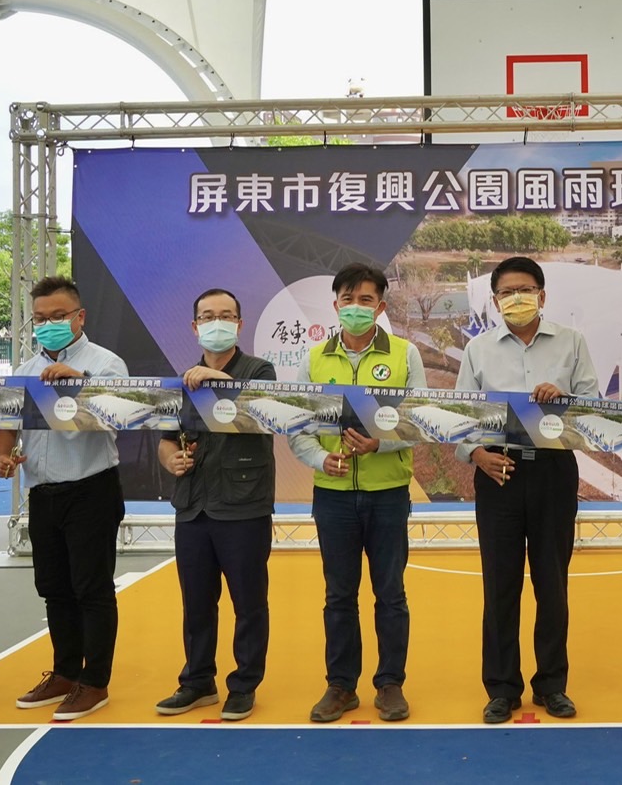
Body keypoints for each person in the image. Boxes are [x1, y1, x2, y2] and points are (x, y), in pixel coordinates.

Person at [455, 256, 597, 724]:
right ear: (495, 300)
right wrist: (477, 455)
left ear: (542, 294)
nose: (516, 298)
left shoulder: (571, 343)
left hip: (553, 471)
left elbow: (592, 411)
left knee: (552, 585)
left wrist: (564, 399)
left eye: (525, 289)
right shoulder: (478, 349)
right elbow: (461, 418)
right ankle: (501, 688)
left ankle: (552, 685)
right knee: (500, 586)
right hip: (497, 473)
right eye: (506, 292)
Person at [292, 264, 426, 723]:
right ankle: (341, 686)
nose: (355, 308)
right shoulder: (312, 359)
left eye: (365, 300)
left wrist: (381, 443)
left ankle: (390, 685)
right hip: (331, 495)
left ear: (381, 307)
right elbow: (297, 427)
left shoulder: (405, 355)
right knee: (338, 596)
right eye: (347, 300)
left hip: (388, 492)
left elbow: (420, 421)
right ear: (335, 306)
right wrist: (318, 459)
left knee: (390, 594)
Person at [0, 276, 128, 721]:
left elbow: (118, 418)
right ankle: (66, 672)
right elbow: (7, 425)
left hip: (91, 488)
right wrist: (1, 454)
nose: (49, 324)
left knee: (92, 588)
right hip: (42, 491)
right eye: (41, 318)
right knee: (54, 589)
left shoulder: (106, 365)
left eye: (58, 316)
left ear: (79, 317)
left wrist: (80, 382)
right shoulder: (25, 371)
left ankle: (95, 682)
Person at [154, 288, 278, 722]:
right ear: (195, 326)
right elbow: (167, 440)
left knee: (249, 601)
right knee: (196, 602)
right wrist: (172, 459)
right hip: (192, 507)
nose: (217, 322)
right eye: (208, 316)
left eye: (226, 315)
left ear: (240, 324)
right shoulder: (181, 380)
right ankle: (198, 681)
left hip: (243, 505)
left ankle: (244, 684)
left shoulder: (260, 370)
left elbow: (262, 413)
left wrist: (218, 382)